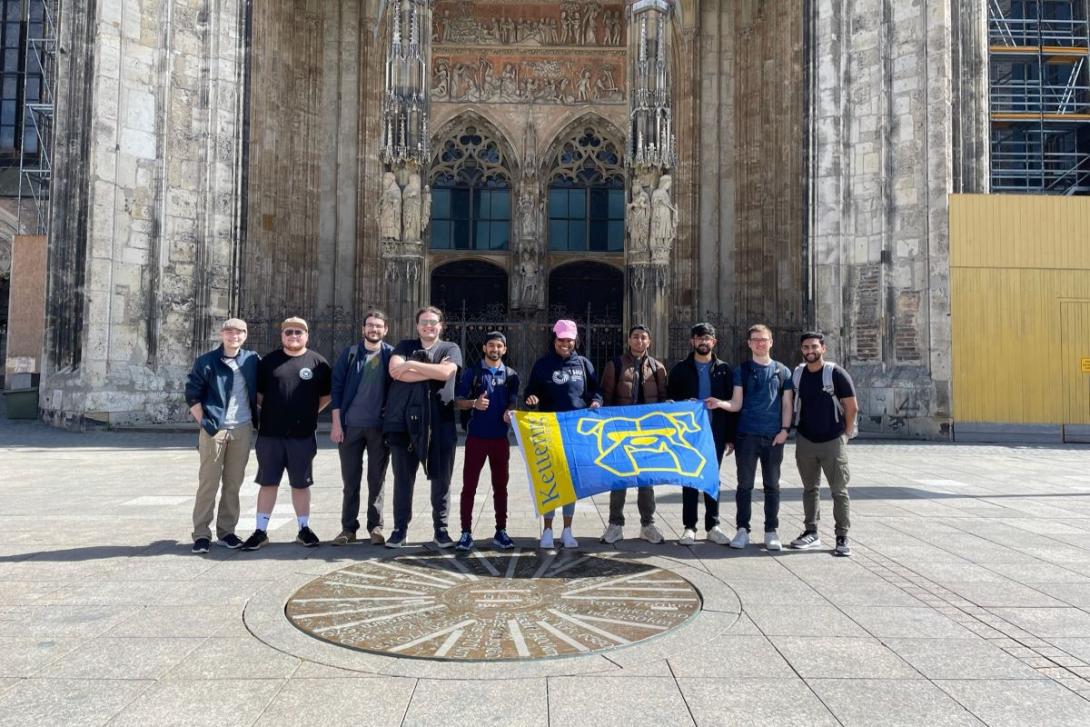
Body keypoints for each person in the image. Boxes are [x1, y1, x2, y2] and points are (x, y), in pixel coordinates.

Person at [241, 317, 332, 550]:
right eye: (289, 332)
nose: (294, 336)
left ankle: (303, 528)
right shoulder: (268, 362)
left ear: (307, 335)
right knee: (267, 481)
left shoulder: (318, 363)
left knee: (301, 483)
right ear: (282, 335)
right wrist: (276, 408)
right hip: (270, 433)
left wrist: (308, 412)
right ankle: (260, 530)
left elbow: (326, 396)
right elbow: (258, 394)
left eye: (299, 332)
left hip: (302, 435)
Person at [384, 306, 463, 549]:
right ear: (417, 325)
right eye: (424, 322)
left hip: (441, 421)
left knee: (442, 479)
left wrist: (412, 366)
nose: (429, 326)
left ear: (441, 325)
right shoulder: (404, 345)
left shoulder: (451, 348)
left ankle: (441, 530)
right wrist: (431, 370)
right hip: (405, 422)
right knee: (403, 479)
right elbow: (395, 371)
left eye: (433, 322)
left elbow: (446, 373)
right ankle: (400, 529)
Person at [524, 319, 602, 548]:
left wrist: (596, 402)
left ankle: (567, 530)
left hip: (575, 431)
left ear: (575, 340)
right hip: (549, 429)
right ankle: (547, 530)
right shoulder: (542, 365)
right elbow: (531, 392)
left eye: (569, 340)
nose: (565, 343)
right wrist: (531, 400)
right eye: (561, 339)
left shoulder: (584, 365)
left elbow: (595, 391)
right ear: (554, 340)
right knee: (549, 478)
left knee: (570, 482)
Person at [184, 318, 260, 554]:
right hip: (215, 429)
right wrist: (205, 423)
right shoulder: (207, 361)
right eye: (229, 331)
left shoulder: (252, 360)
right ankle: (201, 534)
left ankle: (227, 532)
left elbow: (262, 389)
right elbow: (192, 395)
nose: (233, 336)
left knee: (233, 483)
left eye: (238, 332)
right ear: (221, 334)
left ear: (245, 335)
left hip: (242, 428)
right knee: (208, 482)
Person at [667, 322, 738, 545]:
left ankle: (713, 525)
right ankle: (689, 527)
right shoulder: (680, 369)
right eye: (699, 338)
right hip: (689, 434)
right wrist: (681, 404)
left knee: (711, 478)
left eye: (707, 338)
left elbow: (732, 404)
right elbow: (670, 401)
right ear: (692, 341)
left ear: (714, 342)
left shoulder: (725, 370)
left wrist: (730, 436)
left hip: (714, 432)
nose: (703, 342)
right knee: (689, 478)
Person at [788, 332, 858, 557]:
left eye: (814, 347)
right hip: (806, 439)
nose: (810, 351)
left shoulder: (836, 373)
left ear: (823, 348)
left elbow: (851, 406)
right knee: (810, 489)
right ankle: (811, 532)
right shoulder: (798, 374)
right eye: (806, 347)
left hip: (832, 441)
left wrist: (846, 434)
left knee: (839, 490)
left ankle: (842, 536)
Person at [329, 310, 394, 546]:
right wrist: (336, 423)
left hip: (379, 428)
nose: (373, 329)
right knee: (350, 481)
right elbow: (336, 389)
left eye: (378, 326)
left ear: (385, 329)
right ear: (363, 329)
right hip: (350, 427)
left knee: (377, 480)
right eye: (370, 325)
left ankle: (375, 527)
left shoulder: (392, 355)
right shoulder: (350, 354)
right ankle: (348, 528)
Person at [727, 324, 794, 551]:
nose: (759, 343)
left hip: (773, 437)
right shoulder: (742, 370)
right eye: (755, 339)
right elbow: (736, 403)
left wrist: (785, 430)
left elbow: (787, 403)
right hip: (747, 436)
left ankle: (770, 530)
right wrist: (719, 403)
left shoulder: (783, 371)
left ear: (771, 342)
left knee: (772, 485)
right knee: (744, 485)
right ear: (749, 344)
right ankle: (742, 530)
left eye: (763, 339)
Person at [599, 324, 668, 545]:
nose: (639, 341)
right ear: (628, 340)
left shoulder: (658, 368)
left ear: (649, 342)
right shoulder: (615, 365)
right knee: (619, 480)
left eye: (643, 338)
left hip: (647, 432)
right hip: (621, 431)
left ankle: (648, 525)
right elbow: (606, 397)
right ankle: (615, 525)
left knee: (646, 481)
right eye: (635, 337)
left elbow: (664, 400)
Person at [454, 331, 520, 552]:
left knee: (501, 487)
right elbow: (458, 401)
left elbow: (513, 402)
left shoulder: (511, 375)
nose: (495, 349)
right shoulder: (472, 373)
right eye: (491, 345)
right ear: (484, 348)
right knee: (469, 487)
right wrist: (474, 403)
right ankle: (465, 532)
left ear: (505, 349)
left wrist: (509, 412)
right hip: (476, 439)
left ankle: (501, 530)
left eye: (499, 346)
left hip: (500, 440)